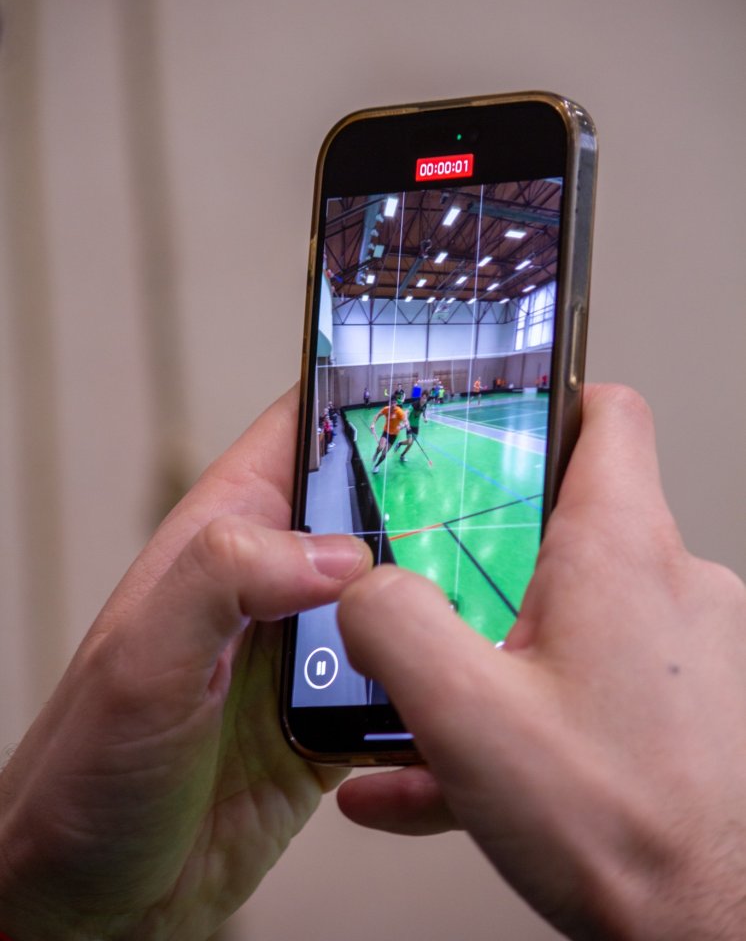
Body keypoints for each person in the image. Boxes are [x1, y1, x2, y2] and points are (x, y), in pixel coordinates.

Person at [0, 385, 743, 941]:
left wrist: (49, 909)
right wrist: (700, 886)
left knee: (397, 451)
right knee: (391, 456)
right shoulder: (392, 412)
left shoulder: (409, 407)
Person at [369, 397, 409, 472]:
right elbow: (377, 415)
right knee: (380, 447)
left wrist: (403, 426)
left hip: (393, 435)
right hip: (386, 432)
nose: (393, 405)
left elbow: (405, 421)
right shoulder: (386, 409)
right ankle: (376, 453)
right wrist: (373, 424)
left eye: (394, 403)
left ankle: (376, 466)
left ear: (396, 403)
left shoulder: (399, 412)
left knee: (384, 454)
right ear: (389, 403)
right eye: (391, 403)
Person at [396, 393, 427, 463]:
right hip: (409, 425)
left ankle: (401, 450)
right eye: (423, 398)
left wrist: (425, 418)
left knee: (410, 443)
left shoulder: (425, 405)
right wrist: (405, 423)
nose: (424, 400)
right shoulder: (415, 404)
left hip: (416, 427)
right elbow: (406, 412)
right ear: (420, 398)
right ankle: (400, 448)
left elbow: (424, 412)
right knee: (409, 442)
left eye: (425, 398)